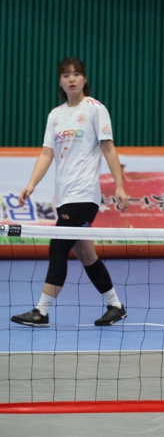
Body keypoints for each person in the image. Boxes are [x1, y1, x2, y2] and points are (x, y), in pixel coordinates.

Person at [11, 57, 129, 328]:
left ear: (84, 79)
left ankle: (41, 311)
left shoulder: (96, 109)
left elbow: (108, 148)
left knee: (58, 245)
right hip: (64, 197)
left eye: (77, 74)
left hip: (84, 196)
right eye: (66, 75)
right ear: (60, 81)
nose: (72, 79)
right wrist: (31, 184)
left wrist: (119, 186)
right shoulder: (55, 115)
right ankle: (115, 306)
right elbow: (46, 153)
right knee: (86, 255)